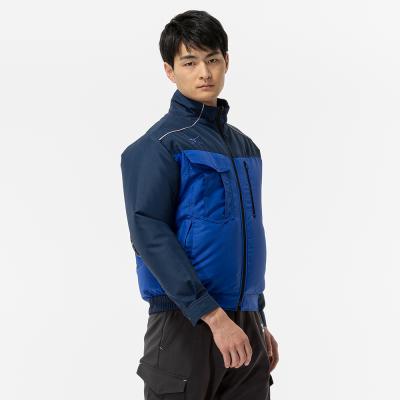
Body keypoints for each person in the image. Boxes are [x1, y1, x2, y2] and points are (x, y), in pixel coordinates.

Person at [120, 10, 279, 400]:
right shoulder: (159, 146)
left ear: (227, 62)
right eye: (190, 62)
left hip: (243, 322)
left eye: (212, 59)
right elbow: (150, 236)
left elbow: (244, 241)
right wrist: (211, 315)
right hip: (185, 320)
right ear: (170, 71)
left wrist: (256, 316)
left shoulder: (245, 147)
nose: (204, 72)